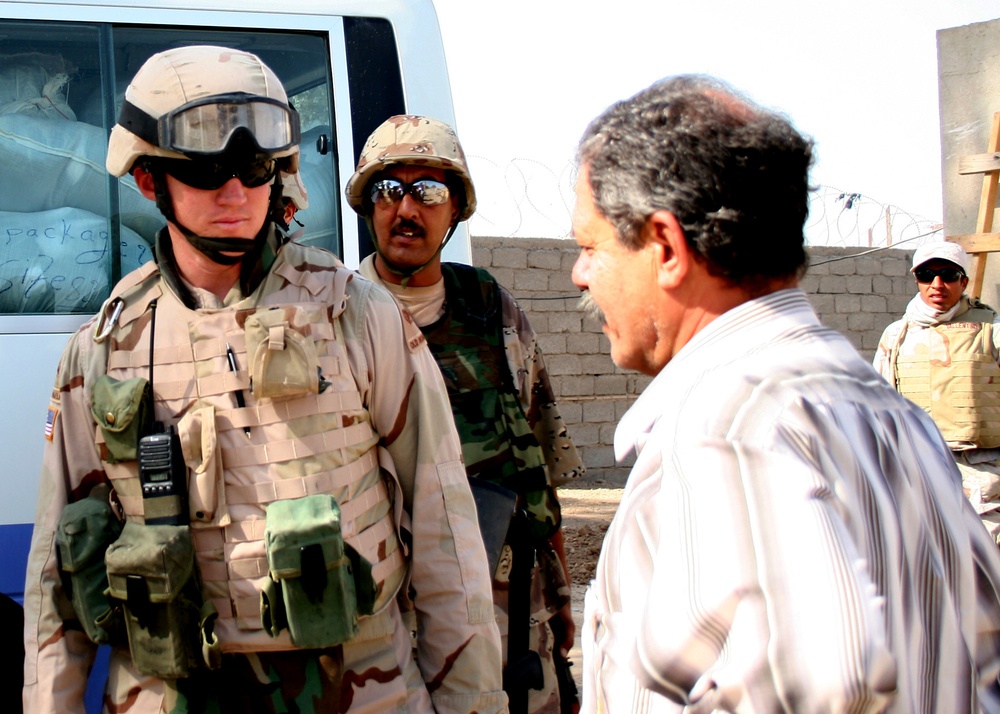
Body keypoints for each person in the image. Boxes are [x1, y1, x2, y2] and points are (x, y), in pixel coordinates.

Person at [22, 46, 506, 714]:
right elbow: (56, 568)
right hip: (171, 691)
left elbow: (445, 529)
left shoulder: (356, 316)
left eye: (254, 169)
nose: (235, 193)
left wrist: (471, 703)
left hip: (357, 687)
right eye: (205, 169)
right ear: (147, 180)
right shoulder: (102, 350)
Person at [571, 74, 1000, 712]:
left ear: (665, 247)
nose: (579, 274)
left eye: (589, 246)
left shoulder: (732, 427)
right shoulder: (894, 418)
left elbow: (830, 683)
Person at [345, 115, 585, 714]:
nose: (406, 209)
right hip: (382, 610)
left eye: (429, 191)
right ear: (367, 205)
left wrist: (556, 602)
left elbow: (538, 464)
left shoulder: (490, 310)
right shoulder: (333, 316)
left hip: (504, 604)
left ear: (455, 211)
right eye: (388, 189)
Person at [873, 241, 1000, 542]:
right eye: (927, 275)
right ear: (917, 280)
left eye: (948, 275)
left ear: (964, 281)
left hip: (982, 471)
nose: (937, 284)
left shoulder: (991, 329)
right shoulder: (897, 334)